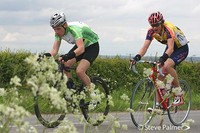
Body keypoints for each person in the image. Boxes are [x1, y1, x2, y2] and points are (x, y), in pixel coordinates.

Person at [131, 11, 189, 107]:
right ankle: (159, 105)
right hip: (171, 48)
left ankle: (179, 93)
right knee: (159, 78)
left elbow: (170, 48)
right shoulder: (151, 31)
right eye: (152, 25)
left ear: (161, 23)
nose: (154, 27)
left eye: (156, 25)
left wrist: (162, 59)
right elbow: (145, 47)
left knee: (167, 65)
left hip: (181, 48)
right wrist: (136, 57)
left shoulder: (168, 29)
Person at [43, 12, 99, 92]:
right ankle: (72, 90)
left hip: (92, 46)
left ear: (65, 25)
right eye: (54, 29)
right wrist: (44, 56)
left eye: (58, 28)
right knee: (65, 63)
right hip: (81, 45)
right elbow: (54, 51)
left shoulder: (74, 30)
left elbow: (81, 49)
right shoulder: (58, 34)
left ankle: (93, 94)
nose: (56, 32)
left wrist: (67, 56)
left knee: (80, 71)